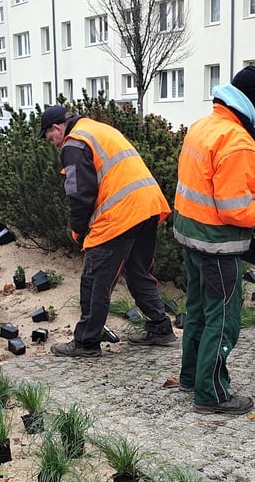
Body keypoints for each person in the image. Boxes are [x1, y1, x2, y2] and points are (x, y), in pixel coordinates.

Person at [173, 65, 255, 415]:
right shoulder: (238, 141)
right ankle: (211, 394)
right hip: (217, 244)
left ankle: (190, 377)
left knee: (197, 311)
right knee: (223, 318)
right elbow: (234, 210)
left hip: (191, 233)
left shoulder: (203, 125)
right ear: (253, 103)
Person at [36, 105, 176, 357]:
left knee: (94, 279)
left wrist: (78, 229)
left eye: (50, 137)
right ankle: (160, 327)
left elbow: (79, 194)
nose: (53, 143)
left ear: (56, 128)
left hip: (120, 213)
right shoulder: (98, 128)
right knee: (137, 272)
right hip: (148, 205)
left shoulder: (74, 143)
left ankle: (86, 342)